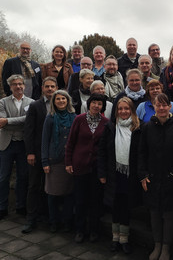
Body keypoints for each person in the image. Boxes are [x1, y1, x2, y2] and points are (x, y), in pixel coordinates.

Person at [139, 93, 173, 260]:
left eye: (164, 105)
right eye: (158, 105)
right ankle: (157, 244)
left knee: (168, 214)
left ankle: (166, 248)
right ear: (154, 107)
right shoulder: (147, 127)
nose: (161, 108)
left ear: (170, 107)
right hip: (152, 177)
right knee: (154, 213)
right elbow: (142, 152)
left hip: (170, 178)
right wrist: (143, 175)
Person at [97, 97, 143, 254]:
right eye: (120, 109)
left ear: (132, 110)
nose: (123, 111)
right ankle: (115, 238)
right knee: (115, 206)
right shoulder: (110, 127)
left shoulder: (138, 128)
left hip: (130, 175)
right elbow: (102, 151)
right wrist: (102, 173)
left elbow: (142, 153)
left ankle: (124, 239)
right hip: (113, 173)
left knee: (126, 207)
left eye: (126, 108)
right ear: (116, 111)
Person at [65, 93, 109, 243]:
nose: (97, 105)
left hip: (96, 168)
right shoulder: (79, 119)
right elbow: (71, 142)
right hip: (80, 166)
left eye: (100, 103)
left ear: (103, 107)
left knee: (95, 201)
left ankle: (94, 230)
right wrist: (68, 162)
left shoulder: (106, 122)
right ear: (89, 104)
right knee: (80, 199)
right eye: (94, 102)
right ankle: (80, 229)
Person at [0, 74, 34, 221]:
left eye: (20, 84)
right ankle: (2, 208)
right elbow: (0, 122)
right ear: (10, 87)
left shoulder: (31, 102)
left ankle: (20, 206)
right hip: (7, 143)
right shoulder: (2, 102)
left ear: (24, 85)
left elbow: (28, 120)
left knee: (23, 177)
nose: (18, 86)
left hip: (24, 144)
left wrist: (8, 121)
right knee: (3, 177)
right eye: (15, 84)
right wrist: (17, 122)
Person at [22, 77, 58, 233]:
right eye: (47, 86)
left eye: (52, 86)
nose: (50, 89)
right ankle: (31, 219)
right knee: (34, 186)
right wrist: (30, 152)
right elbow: (28, 131)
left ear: (56, 88)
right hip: (36, 153)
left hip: (54, 155)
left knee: (49, 187)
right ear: (42, 88)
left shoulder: (61, 105)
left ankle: (49, 217)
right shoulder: (35, 106)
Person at [41, 90, 76, 233]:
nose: (61, 101)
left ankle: (67, 221)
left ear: (68, 101)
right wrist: (45, 162)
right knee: (53, 194)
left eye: (64, 98)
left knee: (69, 194)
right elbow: (45, 140)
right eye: (58, 99)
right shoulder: (50, 118)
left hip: (68, 162)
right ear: (53, 102)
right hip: (54, 161)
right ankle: (53, 221)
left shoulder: (74, 117)